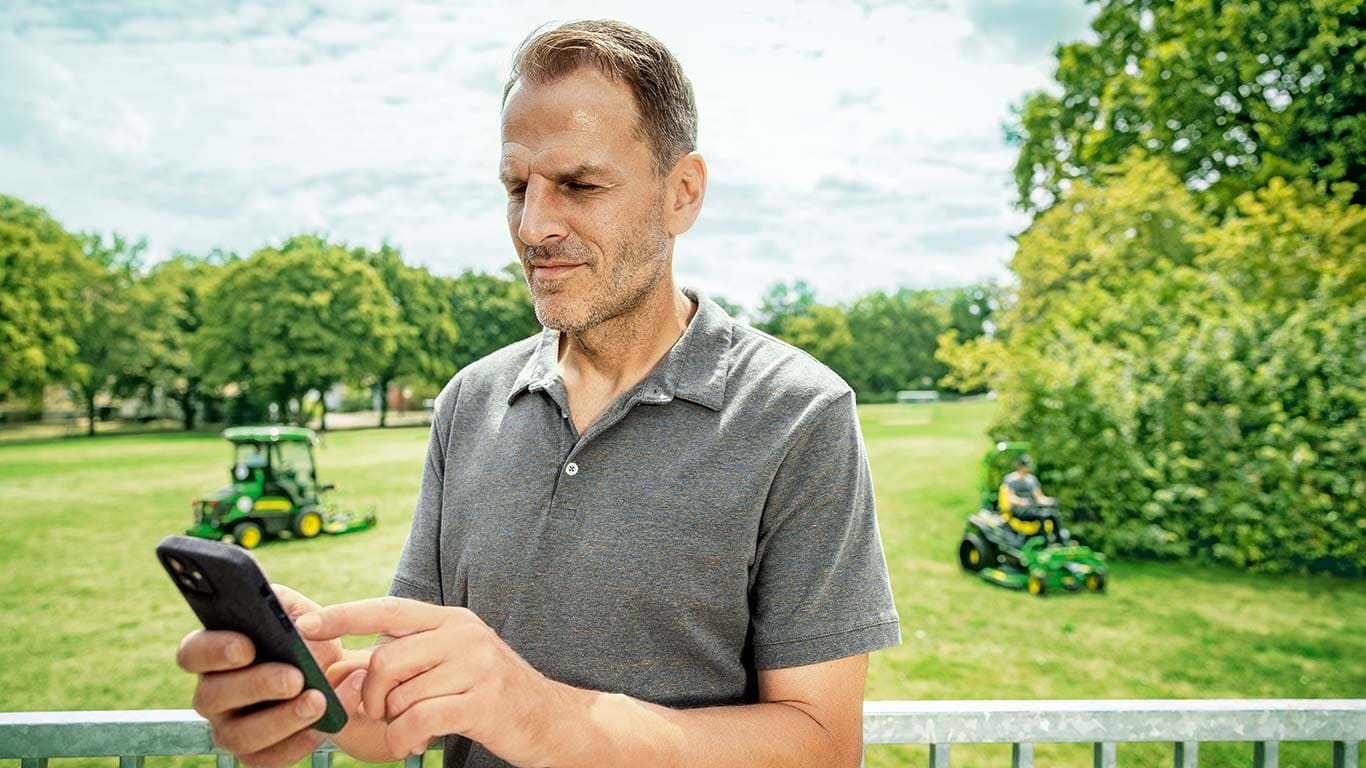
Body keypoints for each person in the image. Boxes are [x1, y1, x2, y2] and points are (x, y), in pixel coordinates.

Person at [175, 20, 899, 768]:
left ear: (682, 193)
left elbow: (823, 744)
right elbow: (403, 723)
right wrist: (310, 696)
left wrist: (545, 717)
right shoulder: (469, 402)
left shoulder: (798, 413)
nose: (534, 225)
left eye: (580, 186)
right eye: (518, 187)